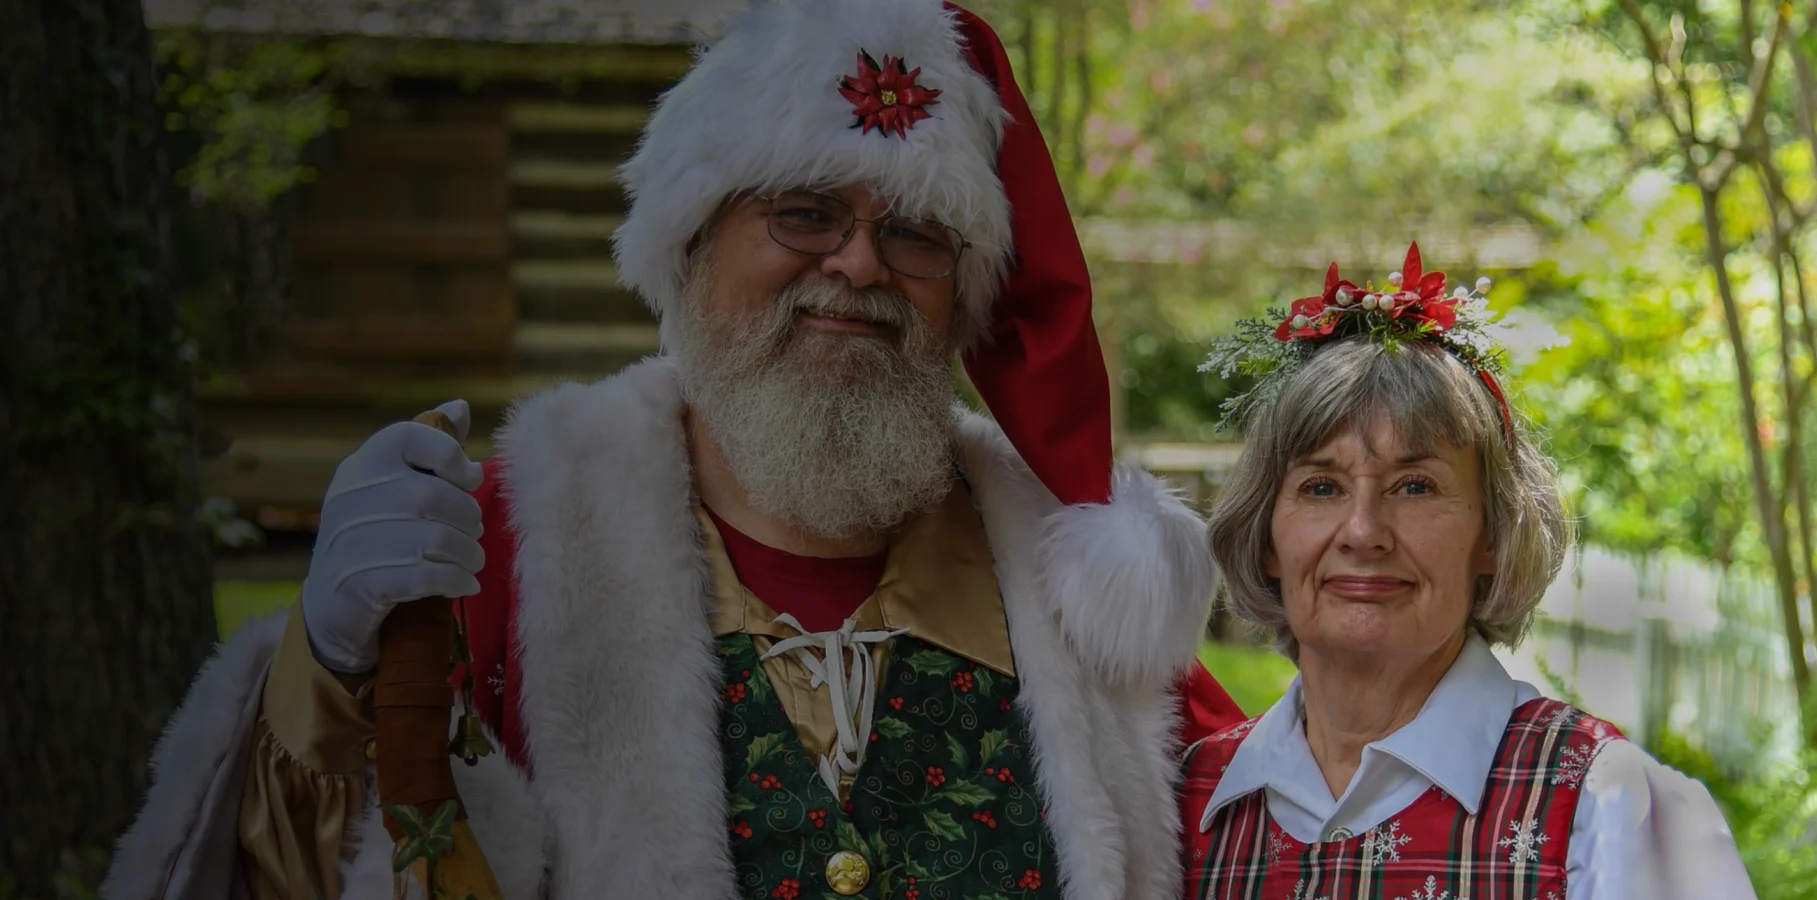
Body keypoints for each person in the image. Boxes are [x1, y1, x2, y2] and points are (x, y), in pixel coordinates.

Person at [100, 2, 1246, 898]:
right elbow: (316, 871)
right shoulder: (503, 552)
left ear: (963, 303)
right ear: (692, 250)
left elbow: (1292, 829)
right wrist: (327, 675)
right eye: (804, 213)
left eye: (913, 234)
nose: (857, 264)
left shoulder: (1076, 590)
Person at [1178, 244, 1756, 899]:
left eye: (1415, 486)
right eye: (1321, 487)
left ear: (1492, 534)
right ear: (1268, 541)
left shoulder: (1605, 803)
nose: (1363, 532)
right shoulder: (1184, 803)